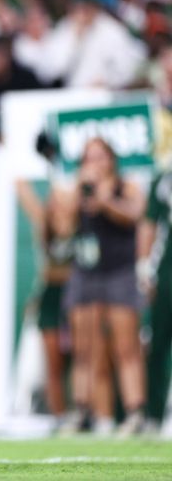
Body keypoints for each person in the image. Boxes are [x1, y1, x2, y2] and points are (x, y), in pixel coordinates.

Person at [64, 137, 146, 436]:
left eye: (100, 157)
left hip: (119, 272)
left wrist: (104, 198)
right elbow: (62, 227)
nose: (95, 164)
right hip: (86, 272)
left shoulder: (127, 186)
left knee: (126, 347)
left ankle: (135, 412)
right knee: (84, 346)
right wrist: (77, 194)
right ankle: (84, 411)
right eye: (89, 158)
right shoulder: (78, 190)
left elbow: (134, 215)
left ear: (111, 159)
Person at [16, 179, 76, 426]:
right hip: (51, 295)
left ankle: (83, 413)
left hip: (75, 296)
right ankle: (60, 415)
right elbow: (23, 191)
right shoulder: (44, 225)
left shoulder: (80, 225)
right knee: (53, 362)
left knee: (80, 359)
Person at [136, 168, 172, 434]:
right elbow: (149, 223)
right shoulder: (164, 179)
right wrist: (144, 268)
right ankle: (155, 415)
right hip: (166, 273)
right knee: (156, 345)